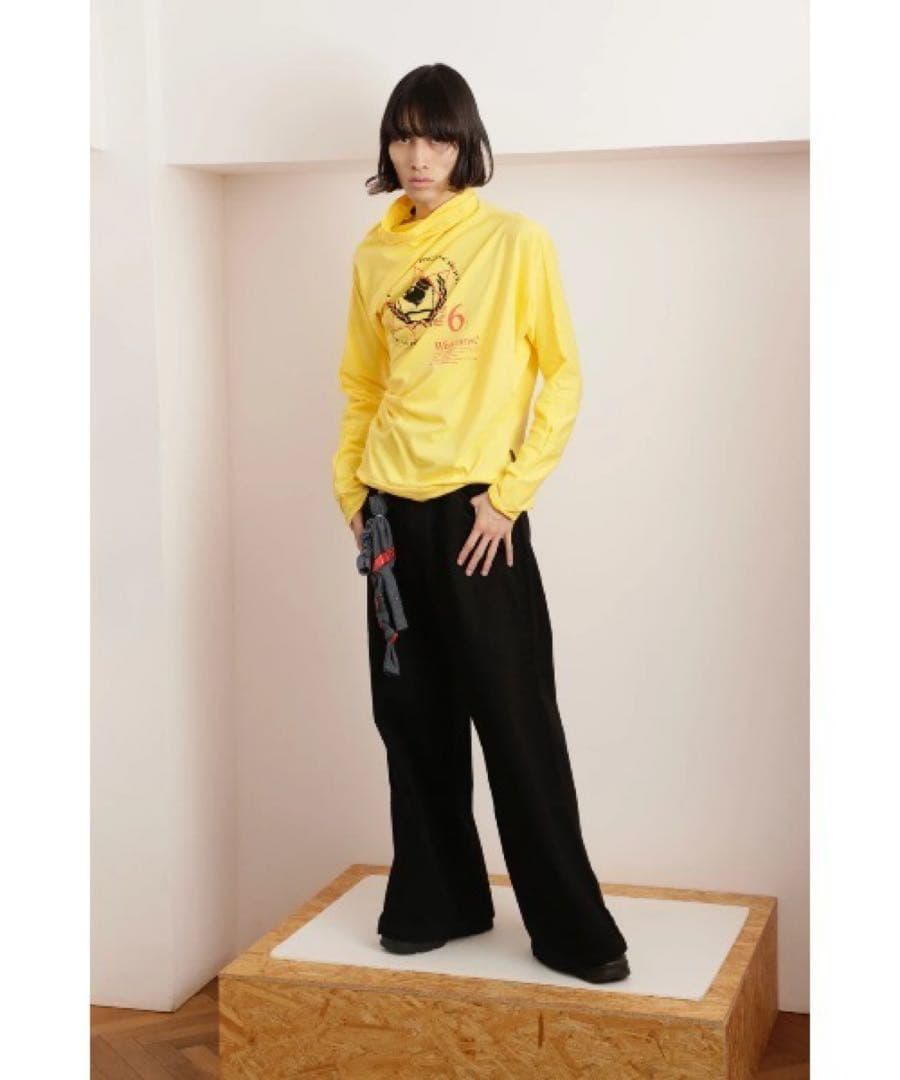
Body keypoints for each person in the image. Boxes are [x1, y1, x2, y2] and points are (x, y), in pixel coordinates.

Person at [331, 63, 629, 985]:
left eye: (438, 137)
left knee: (515, 718)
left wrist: (508, 496)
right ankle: (439, 900)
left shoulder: (513, 242)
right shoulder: (373, 256)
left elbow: (563, 375)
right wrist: (353, 495)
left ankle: (572, 928)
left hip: (476, 517)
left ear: (466, 145)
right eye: (403, 136)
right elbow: (363, 385)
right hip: (389, 518)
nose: (418, 155)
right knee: (411, 719)